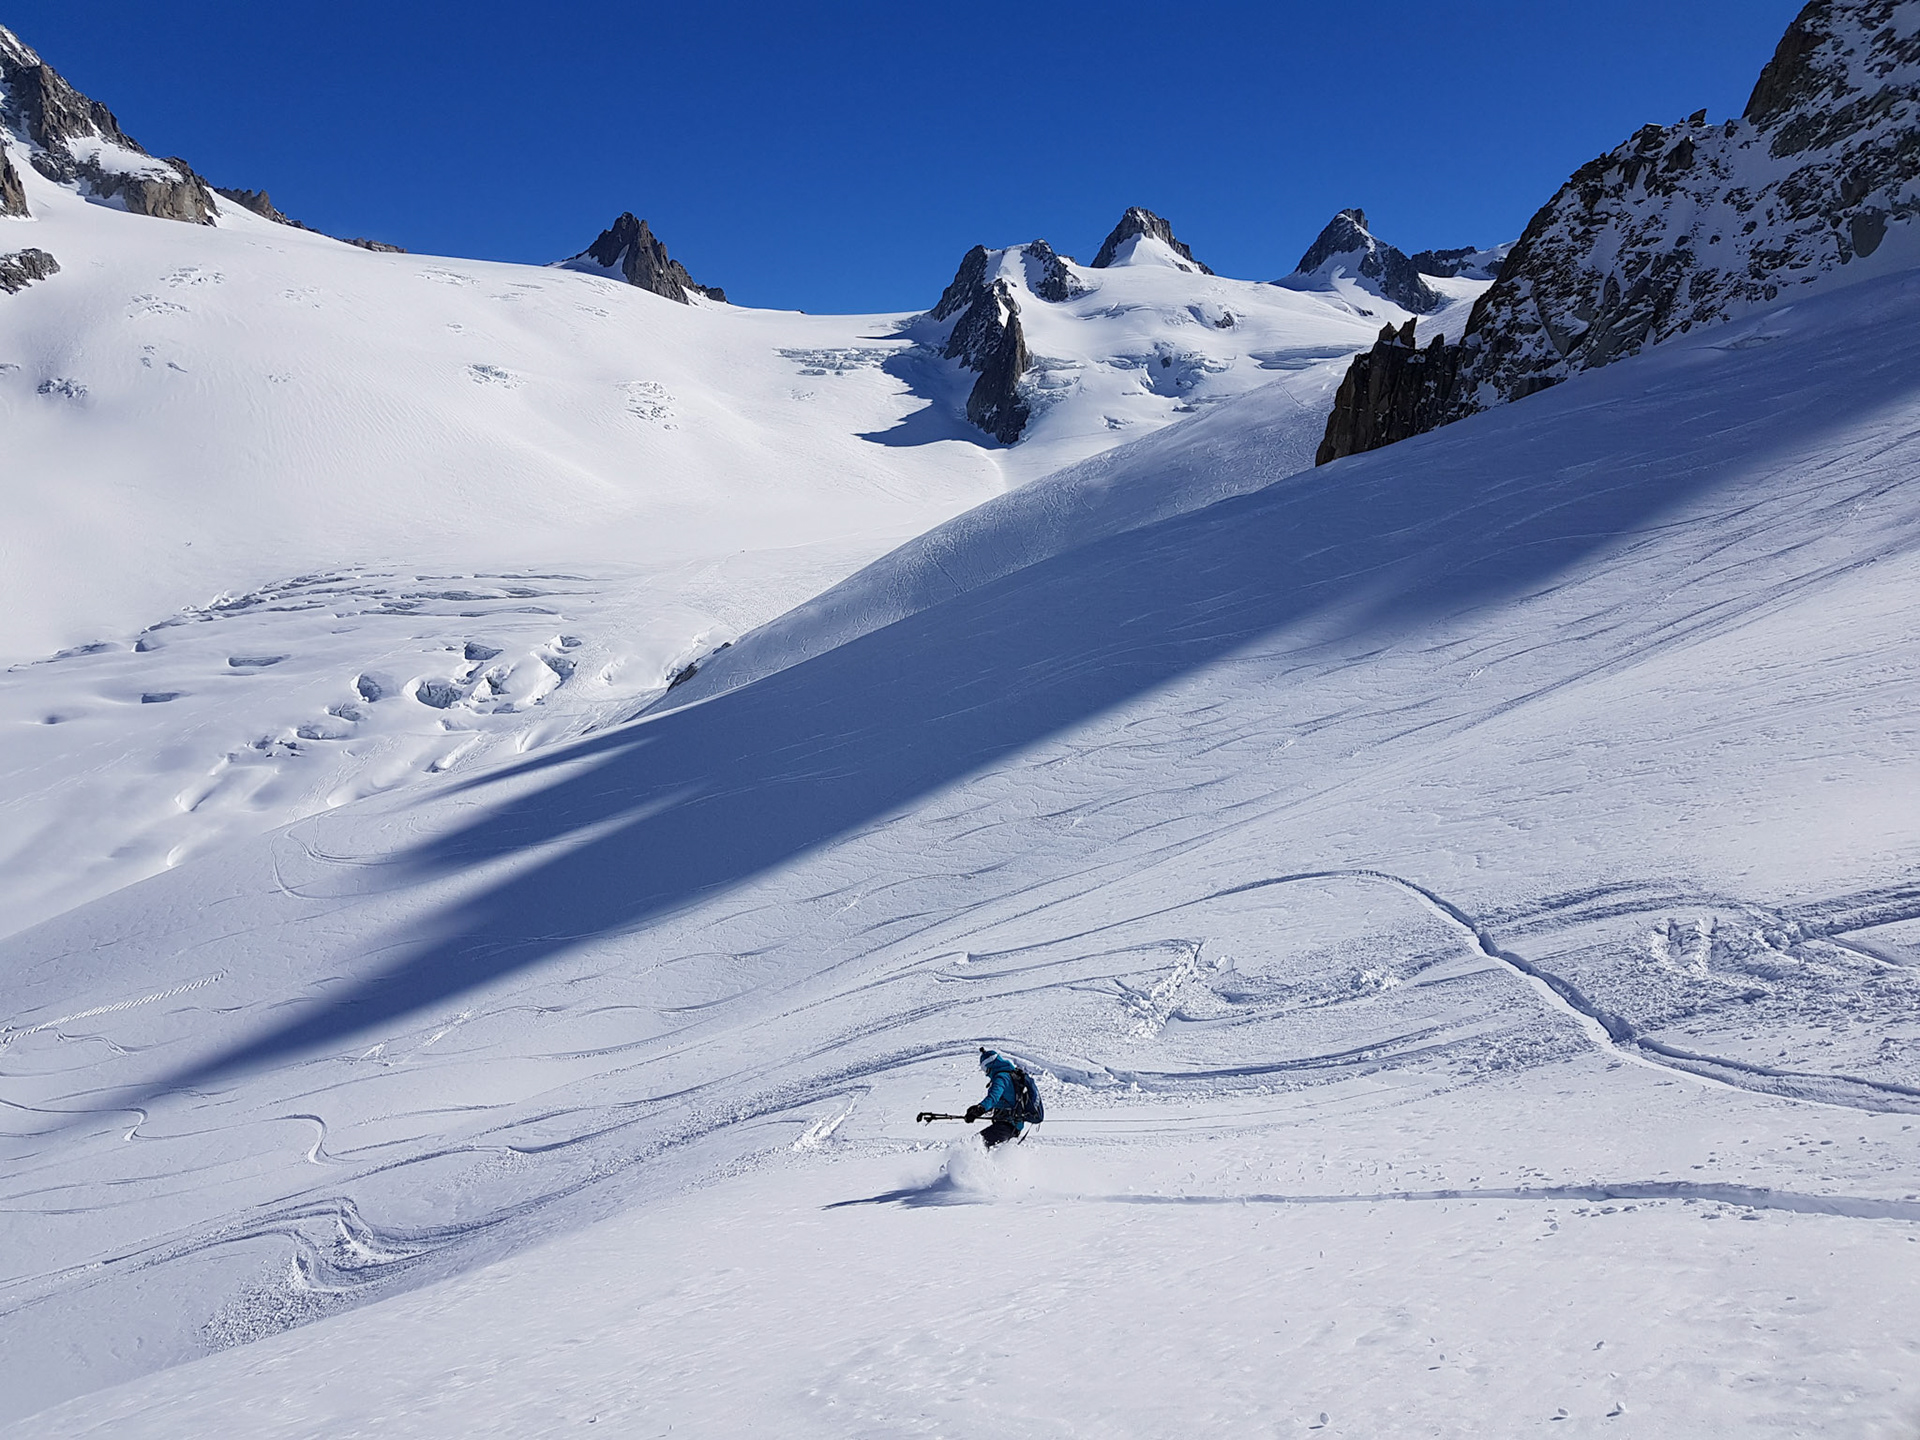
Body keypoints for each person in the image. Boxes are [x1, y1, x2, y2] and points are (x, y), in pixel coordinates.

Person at [966, 1047, 1037, 1148]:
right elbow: (1001, 1101)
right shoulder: (1009, 1075)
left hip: (1006, 1126)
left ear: (990, 1065)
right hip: (1013, 1126)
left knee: (974, 1145)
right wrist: (976, 1111)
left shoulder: (1001, 1077)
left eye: (984, 1068)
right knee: (987, 1151)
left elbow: (993, 1097)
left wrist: (980, 1109)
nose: (986, 1073)